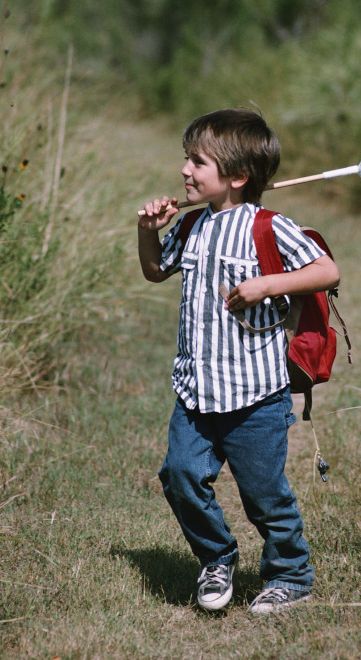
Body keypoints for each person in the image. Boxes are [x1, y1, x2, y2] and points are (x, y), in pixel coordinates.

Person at [136, 108, 340, 615]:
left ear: (237, 177)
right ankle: (216, 558)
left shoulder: (267, 227)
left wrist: (267, 285)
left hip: (255, 396)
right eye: (187, 159)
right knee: (180, 476)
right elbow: (155, 269)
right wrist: (148, 230)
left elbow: (326, 269)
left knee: (264, 494)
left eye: (198, 162)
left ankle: (290, 575)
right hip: (196, 391)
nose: (185, 170)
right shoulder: (191, 227)